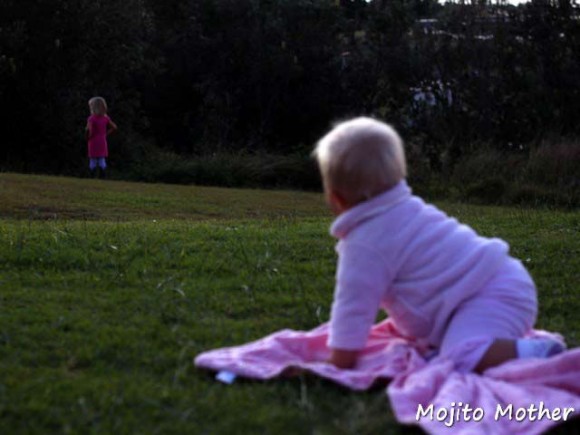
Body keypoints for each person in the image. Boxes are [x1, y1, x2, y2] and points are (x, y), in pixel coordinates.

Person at [312, 117, 565, 373]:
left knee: (462, 356)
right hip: (496, 284)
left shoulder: (365, 243)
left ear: (336, 198)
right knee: (455, 346)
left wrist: (339, 362)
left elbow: (353, 307)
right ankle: (509, 346)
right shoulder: (406, 209)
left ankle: (543, 353)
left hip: (491, 292)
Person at [86, 97, 117, 178]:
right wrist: (106, 134)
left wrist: (88, 136)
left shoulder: (91, 118)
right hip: (102, 140)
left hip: (93, 141)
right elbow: (114, 127)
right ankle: (103, 177)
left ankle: (92, 176)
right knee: (101, 160)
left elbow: (90, 130)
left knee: (93, 160)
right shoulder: (105, 118)